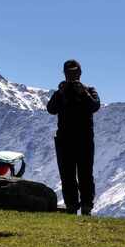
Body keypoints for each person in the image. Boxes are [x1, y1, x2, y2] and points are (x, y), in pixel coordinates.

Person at [47, 60, 100, 215]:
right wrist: (60, 93)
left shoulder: (89, 90)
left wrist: (83, 92)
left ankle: (86, 206)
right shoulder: (61, 92)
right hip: (65, 140)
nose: (72, 75)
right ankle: (71, 206)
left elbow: (95, 106)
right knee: (67, 174)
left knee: (85, 174)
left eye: (75, 72)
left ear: (80, 73)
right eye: (70, 72)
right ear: (65, 74)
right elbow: (51, 109)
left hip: (84, 139)